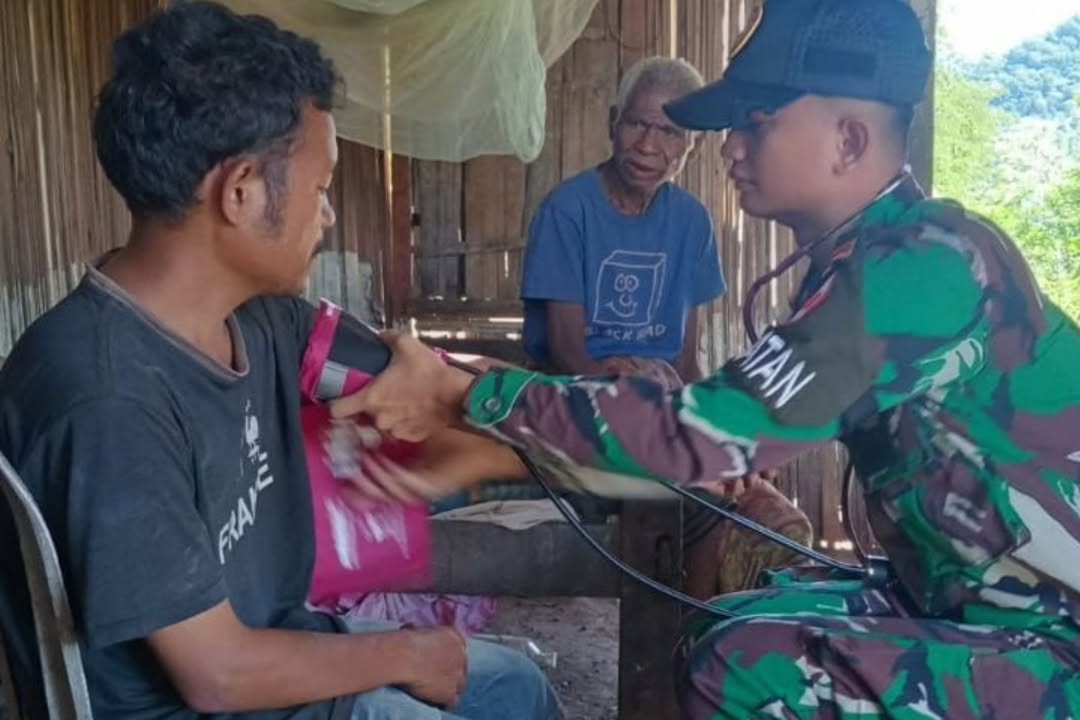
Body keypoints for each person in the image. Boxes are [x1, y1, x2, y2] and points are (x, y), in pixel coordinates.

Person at [329, 0, 1080, 717]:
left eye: (756, 122)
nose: (730, 148)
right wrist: (491, 429)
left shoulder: (926, 265)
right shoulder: (864, 262)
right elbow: (711, 435)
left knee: (742, 666)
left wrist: (470, 396)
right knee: (730, 625)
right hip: (960, 600)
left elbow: (701, 432)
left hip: (1051, 635)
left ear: (849, 141)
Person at [0, 3, 561, 719]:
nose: (327, 215)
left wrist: (555, 421)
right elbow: (217, 675)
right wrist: (406, 653)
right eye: (320, 189)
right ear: (240, 192)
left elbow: (421, 383)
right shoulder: (104, 398)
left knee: (514, 686)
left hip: (278, 645)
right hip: (214, 697)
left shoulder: (258, 318)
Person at [521, 54, 812, 598]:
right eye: (636, 123)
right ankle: (686, 620)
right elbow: (565, 349)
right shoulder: (568, 210)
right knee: (699, 497)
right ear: (613, 123)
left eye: (670, 132)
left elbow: (685, 360)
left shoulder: (690, 222)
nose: (648, 145)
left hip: (661, 409)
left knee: (757, 500)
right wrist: (639, 413)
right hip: (581, 404)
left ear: (691, 146)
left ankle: (707, 616)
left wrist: (711, 431)